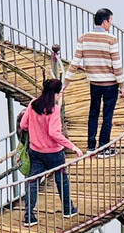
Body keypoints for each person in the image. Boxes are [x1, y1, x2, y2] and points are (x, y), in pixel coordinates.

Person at [18, 78, 82, 224]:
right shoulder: (54, 109)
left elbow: (23, 124)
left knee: (32, 182)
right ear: (55, 94)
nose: (60, 96)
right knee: (61, 179)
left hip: (35, 151)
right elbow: (54, 133)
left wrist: (36, 130)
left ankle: (29, 216)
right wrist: (72, 146)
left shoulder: (33, 104)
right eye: (59, 93)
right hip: (54, 152)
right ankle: (67, 209)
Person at [71, 8, 124, 155]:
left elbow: (75, 62)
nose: (111, 24)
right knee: (107, 115)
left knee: (93, 113)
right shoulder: (111, 39)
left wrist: (65, 82)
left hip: (94, 83)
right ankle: (103, 148)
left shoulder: (83, 38)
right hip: (110, 84)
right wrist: (122, 86)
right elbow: (117, 66)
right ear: (105, 21)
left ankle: (90, 147)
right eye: (111, 21)